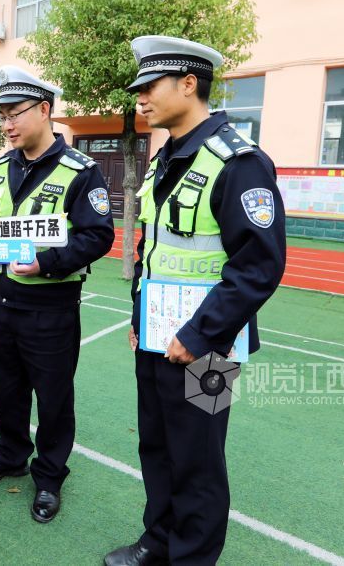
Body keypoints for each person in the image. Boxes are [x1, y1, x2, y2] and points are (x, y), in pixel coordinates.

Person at [104, 36, 286, 566]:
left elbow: (258, 267)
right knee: (157, 450)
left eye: (149, 87)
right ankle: (157, 542)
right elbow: (156, 249)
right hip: (157, 337)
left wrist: (198, 335)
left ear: (189, 84)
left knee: (198, 461)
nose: (140, 99)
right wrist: (141, 318)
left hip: (208, 348)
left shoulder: (239, 162)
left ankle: (190, 558)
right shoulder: (169, 157)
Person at [0, 66, 115, 523]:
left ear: (45, 110)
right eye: (3, 116)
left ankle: (49, 476)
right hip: (4, 301)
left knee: (53, 399)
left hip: (52, 308)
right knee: (8, 390)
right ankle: (10, 454)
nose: (7, 124)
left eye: (16, 113)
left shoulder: (81, 173)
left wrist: (46, 263)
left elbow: (97, 236)